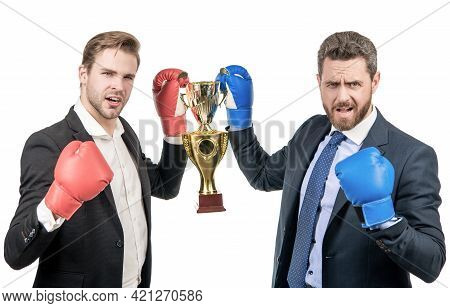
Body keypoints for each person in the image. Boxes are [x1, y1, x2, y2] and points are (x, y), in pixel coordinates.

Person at [216, 31, 446, 287]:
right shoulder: (310, 131)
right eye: (332, 85)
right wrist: (240, 121)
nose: (342, 97)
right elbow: (262, 176)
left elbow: (432, 263)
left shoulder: (411, 156)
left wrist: (384, 219)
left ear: (375, 81)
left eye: (354, 84)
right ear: (319, 82)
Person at [4, 31, 189, 288]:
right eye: (107, 73)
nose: (119, 86)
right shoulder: (48, 144)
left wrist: (174, 128)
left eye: (128, 77)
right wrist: (56, 204)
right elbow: (15, 254)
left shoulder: (126, 134)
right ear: (83, 74)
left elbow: (166, 187)